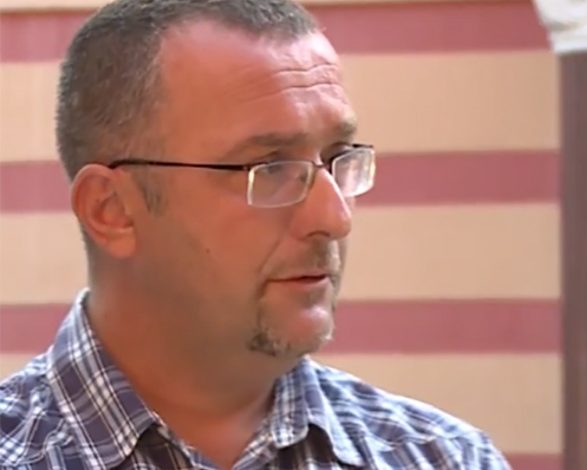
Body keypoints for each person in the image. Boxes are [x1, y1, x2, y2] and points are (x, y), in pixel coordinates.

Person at [0, 1, 511, 469]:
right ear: (112, 211)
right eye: (270, 169)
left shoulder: (445, 457)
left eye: (339, 157)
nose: (335, 218)